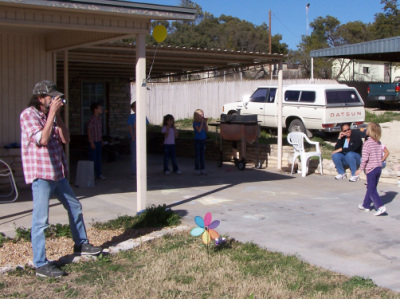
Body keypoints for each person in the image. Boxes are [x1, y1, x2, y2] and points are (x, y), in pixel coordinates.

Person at [20, 80, 102, 278]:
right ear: (40, 98)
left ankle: (81, 244)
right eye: (51, 97)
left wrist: (57, 116)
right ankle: (40, 264)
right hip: (41, 174)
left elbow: (66, 139)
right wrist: (50, 117)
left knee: (74, 206)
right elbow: (43, 139)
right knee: (41, 220)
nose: (55, 99)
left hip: (58, 173)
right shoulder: (28, 115)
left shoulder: (52, 116)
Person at [356, 122, 387, 216]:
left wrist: (360, 169)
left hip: (371, 169)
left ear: (370, 131)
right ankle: (366, 205)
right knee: (371, 187)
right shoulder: (378, 143)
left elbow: (365, 158)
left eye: (367, 129)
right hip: (378, 168)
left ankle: (380, 207)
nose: (365, 130)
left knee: (371, 188)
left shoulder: (367, 143)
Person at [127, 101, 149, 179]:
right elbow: (130, 127)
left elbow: (146, 126)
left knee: (142, 156)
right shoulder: (131, 117)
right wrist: (133, 137)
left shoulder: (143, 116)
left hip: (141, 138)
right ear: (133, 108)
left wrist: (144, 135)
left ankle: (142, 172)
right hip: (134, 138)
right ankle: (134, 172)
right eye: (135, 107)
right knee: (134, 156)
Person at [88, 102, 105, 180]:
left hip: (98, 141)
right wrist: (91, 142)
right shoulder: (92, 119)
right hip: (93, 141)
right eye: (100, 108)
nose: (101, 110)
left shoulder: (99, 119)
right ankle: (92, 175)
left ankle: (99, 174)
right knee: (93, 159)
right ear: (95, 110)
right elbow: (89, 131)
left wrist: (101, 140)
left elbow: (99, 131)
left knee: (98, 159)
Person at [193, 109, 208, 175]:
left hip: (203, 140)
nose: (202, 116)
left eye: (203, 114)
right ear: (197, 116)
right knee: (197, 155)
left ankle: (203, 168)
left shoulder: (203, 122)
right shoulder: (195, 123)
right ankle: (197, 169)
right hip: (197, 140)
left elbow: (206, 130)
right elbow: (199, 130)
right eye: (201, 115)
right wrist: (202, 122)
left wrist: (205, 123)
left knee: (202, 155)